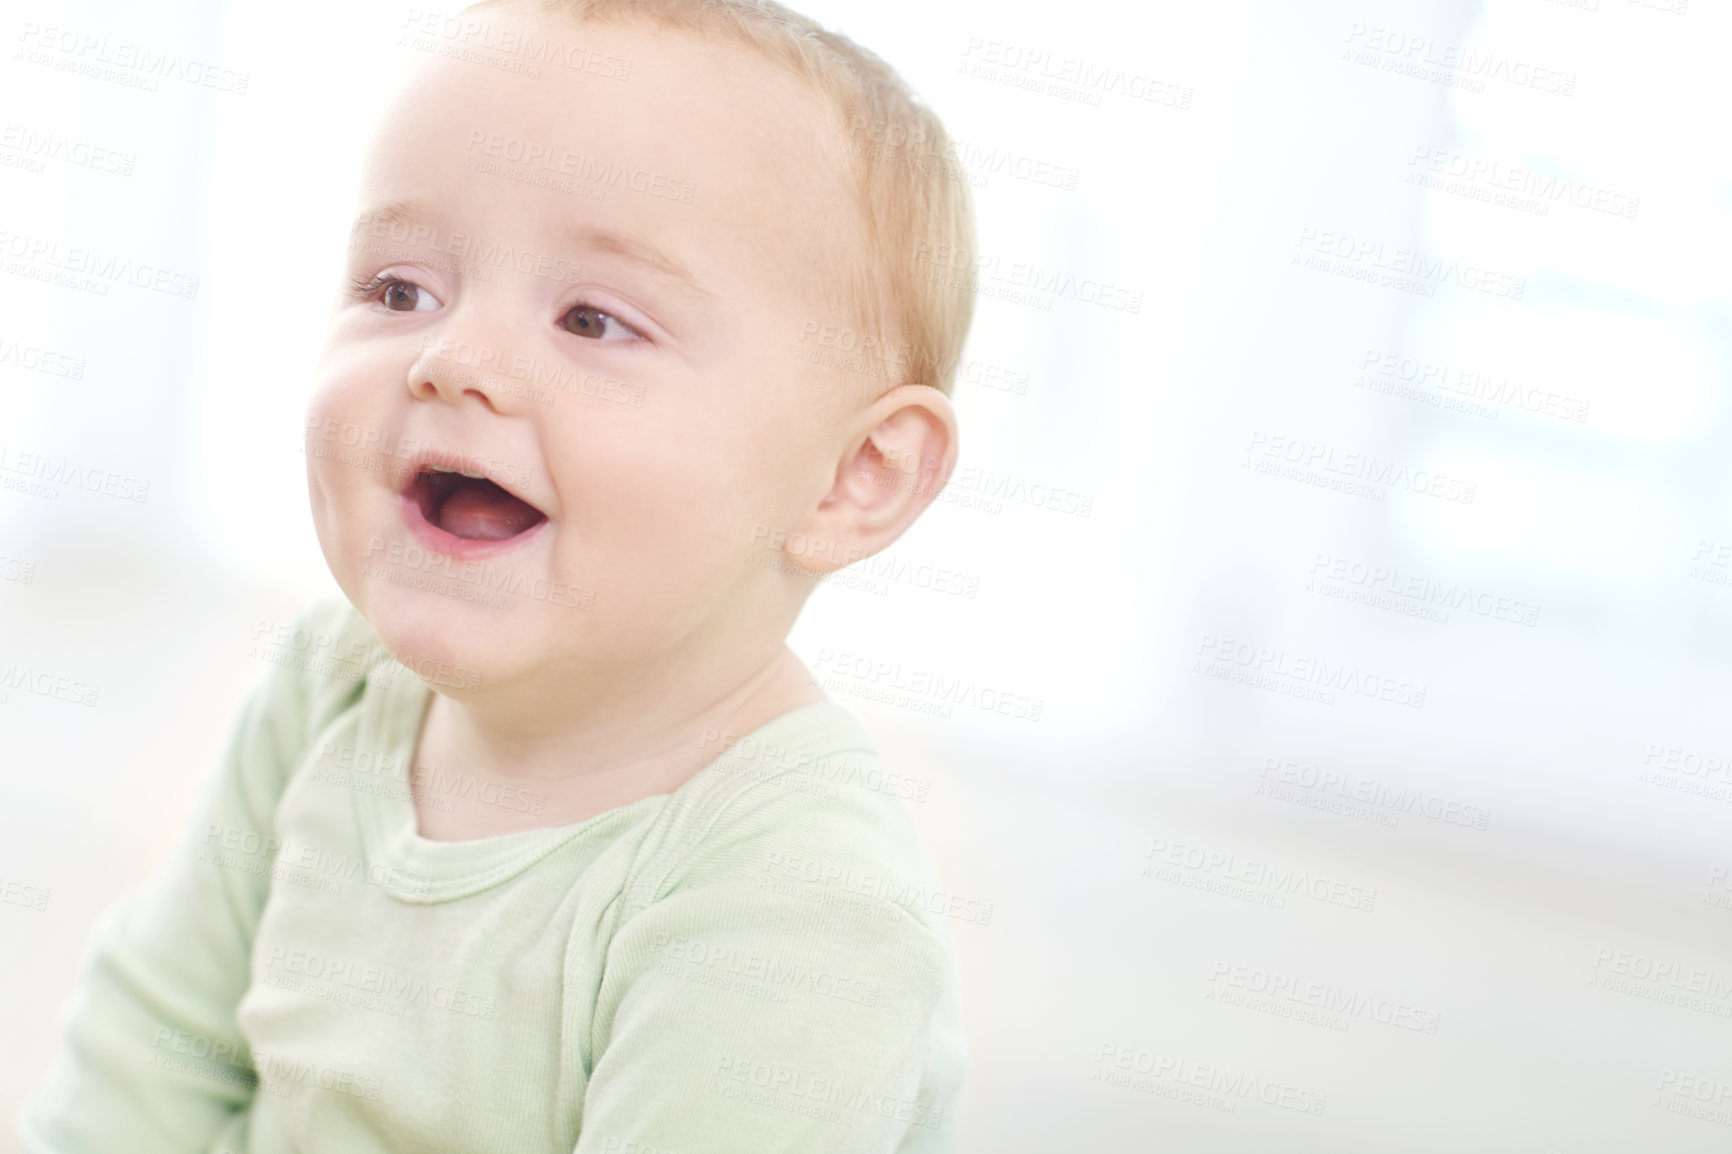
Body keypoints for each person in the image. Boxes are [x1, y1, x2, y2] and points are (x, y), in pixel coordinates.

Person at [18, 0, 979, 1150]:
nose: (451, 358)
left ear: (851, 476)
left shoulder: (800, 903)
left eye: (592, 318)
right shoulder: (335, 679)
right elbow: (150, 1046)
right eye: (399, 290)